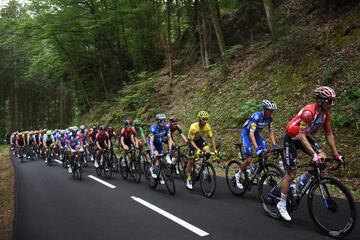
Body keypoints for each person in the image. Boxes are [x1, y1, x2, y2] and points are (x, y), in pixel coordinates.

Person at [277, 86, 345, 221]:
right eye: (329, 101)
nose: (332, 104)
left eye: (332, 101)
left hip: (303, 136)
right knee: (291, 173)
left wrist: (336, 155)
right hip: (292, 138)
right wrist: (314, 154)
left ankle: (304, 179)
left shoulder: (325, 114)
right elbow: (301, 136)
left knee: (323, 158)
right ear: (320, 101)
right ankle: (282, 203)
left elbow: (329, 134)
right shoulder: (309, 112)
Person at [235, 100, 278, 189]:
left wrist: (274, 145)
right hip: (246, 133)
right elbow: (251, 134)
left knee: (266, 154)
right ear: (265, 110)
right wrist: (257, 149)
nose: (271, 113)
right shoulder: (256, 116)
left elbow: (270, 132)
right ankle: (238, 174)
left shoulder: (270, 118)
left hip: (256, 134)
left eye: (272, 111)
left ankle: (256, 169)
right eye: (270, 111)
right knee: (249, 159)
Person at [186, 111, 218, 189]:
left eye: (206, 119)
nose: (205, 121)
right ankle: (188, 177)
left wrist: (215, 149)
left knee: (207, 151)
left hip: (199, 139)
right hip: (192, 141)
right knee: (191, 161)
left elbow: (211, 138)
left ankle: (201, 165)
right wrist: (197, 149)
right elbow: (191, 140)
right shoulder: (193, 127)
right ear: (199, 119)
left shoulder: (207, 126)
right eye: (204, 119)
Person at [147, 114, 172, 181]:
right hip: (152, 142)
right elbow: (151, 142)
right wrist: (152, 153)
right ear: (157, 121)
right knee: (156, 155)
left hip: (159, 142)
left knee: (160, 160)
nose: (163, 122)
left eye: (164, 120)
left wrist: (170, 149)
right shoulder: (153, 128)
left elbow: (169, 139)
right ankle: (152, 168)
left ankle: (159, 171)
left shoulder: (166, 127)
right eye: (161, 121)